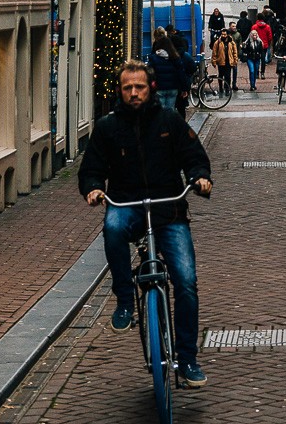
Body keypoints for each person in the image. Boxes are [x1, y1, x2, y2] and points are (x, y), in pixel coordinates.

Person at [79, 59, 212, 388]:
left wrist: (199, 178)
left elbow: (194, 156)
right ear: (120, 90)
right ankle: (125, 299)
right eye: (128, 88)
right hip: (127, 204)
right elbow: (91, 168)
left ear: (150, 87)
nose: (134, 93)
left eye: (139, 87)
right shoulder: (108, 127)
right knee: (112, 228)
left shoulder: (170, 121)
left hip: (168, 210)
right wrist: (94, 187)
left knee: (185, 282)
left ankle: (188, 358)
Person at [147, 27, 189, 111]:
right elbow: (181, 72)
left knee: (160, 112)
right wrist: (184, 88)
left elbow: (149, 73)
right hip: (172, 88)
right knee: (170, 111)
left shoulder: (154, 58)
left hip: (160, 87)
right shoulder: (175, 57)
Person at [211, 28, 238, 96]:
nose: (223, 35)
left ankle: (227, 89)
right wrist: (214, 61)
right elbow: (214, 52)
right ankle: (220, 88)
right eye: (222, 34)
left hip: (229, 62)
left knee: (228, 76)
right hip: (221, 62)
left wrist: (235, 60)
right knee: (220, 76)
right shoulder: (218, 42)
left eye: (225, 34)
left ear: (227, 35)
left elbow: (235, 52)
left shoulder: (231, 42)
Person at [241, 26, 265, 91]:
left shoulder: (259, 42)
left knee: (255, 72)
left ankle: (254, 84)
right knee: (252, 71)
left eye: (256, 35)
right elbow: (244, 50)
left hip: (257, 59)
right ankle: (252, 85)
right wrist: (243, 47)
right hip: (250, 58)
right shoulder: (248, 42)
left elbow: (261, 51)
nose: (255, 36)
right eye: (253, 35)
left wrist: (262, 58)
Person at [252, 13, 273, 79]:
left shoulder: (254, 26)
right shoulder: (267, 27)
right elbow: (270, 37)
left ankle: (257, 73)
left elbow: (251, 35)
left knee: (256, 59)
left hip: (256, 45)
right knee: (263, 59)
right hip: (264, 45)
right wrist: (268, 43)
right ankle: (262, 73)